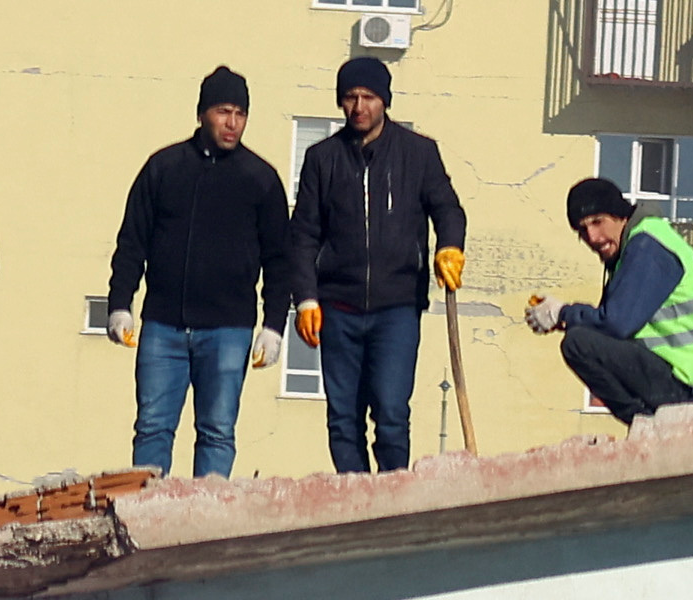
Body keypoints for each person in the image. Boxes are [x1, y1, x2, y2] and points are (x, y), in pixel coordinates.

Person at [104, 67, 296, 476]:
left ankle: (207, 523)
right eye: (223, 111)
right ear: (202, 113)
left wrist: (274, 326)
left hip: (229, 330)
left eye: (240, 114)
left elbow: (280, 260)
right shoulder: (164, 168)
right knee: (153, 429)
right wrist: (120, 304)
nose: (232, 123)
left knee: (217, 431)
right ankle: (148, 519)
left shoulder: (260, 179)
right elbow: (132, 241)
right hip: (163, 328)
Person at [290, 53, 463, 472]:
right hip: (338, 307)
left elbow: (448, 209)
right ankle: (354, 499)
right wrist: (307, 298)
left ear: (385, 101)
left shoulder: (418, 153)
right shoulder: (322, 158)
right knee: (343, 418)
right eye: (350, 97)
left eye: (368, 96)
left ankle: (392, 495)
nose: (359, 106)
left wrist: (449, 246)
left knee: (390, 412)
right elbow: (303, 234)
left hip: (397, 306)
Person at [517, 175, 693, 425]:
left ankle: (643, 423)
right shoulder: (638, 245)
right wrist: (566, 318)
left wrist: (564, 313)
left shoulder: (647, 246)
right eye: (582, 230)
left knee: (578, 344)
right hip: (689, 381)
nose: (593, 237)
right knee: (585, 337)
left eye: (598, 222)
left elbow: (617, 324)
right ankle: (647, 423)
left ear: (620, 215)